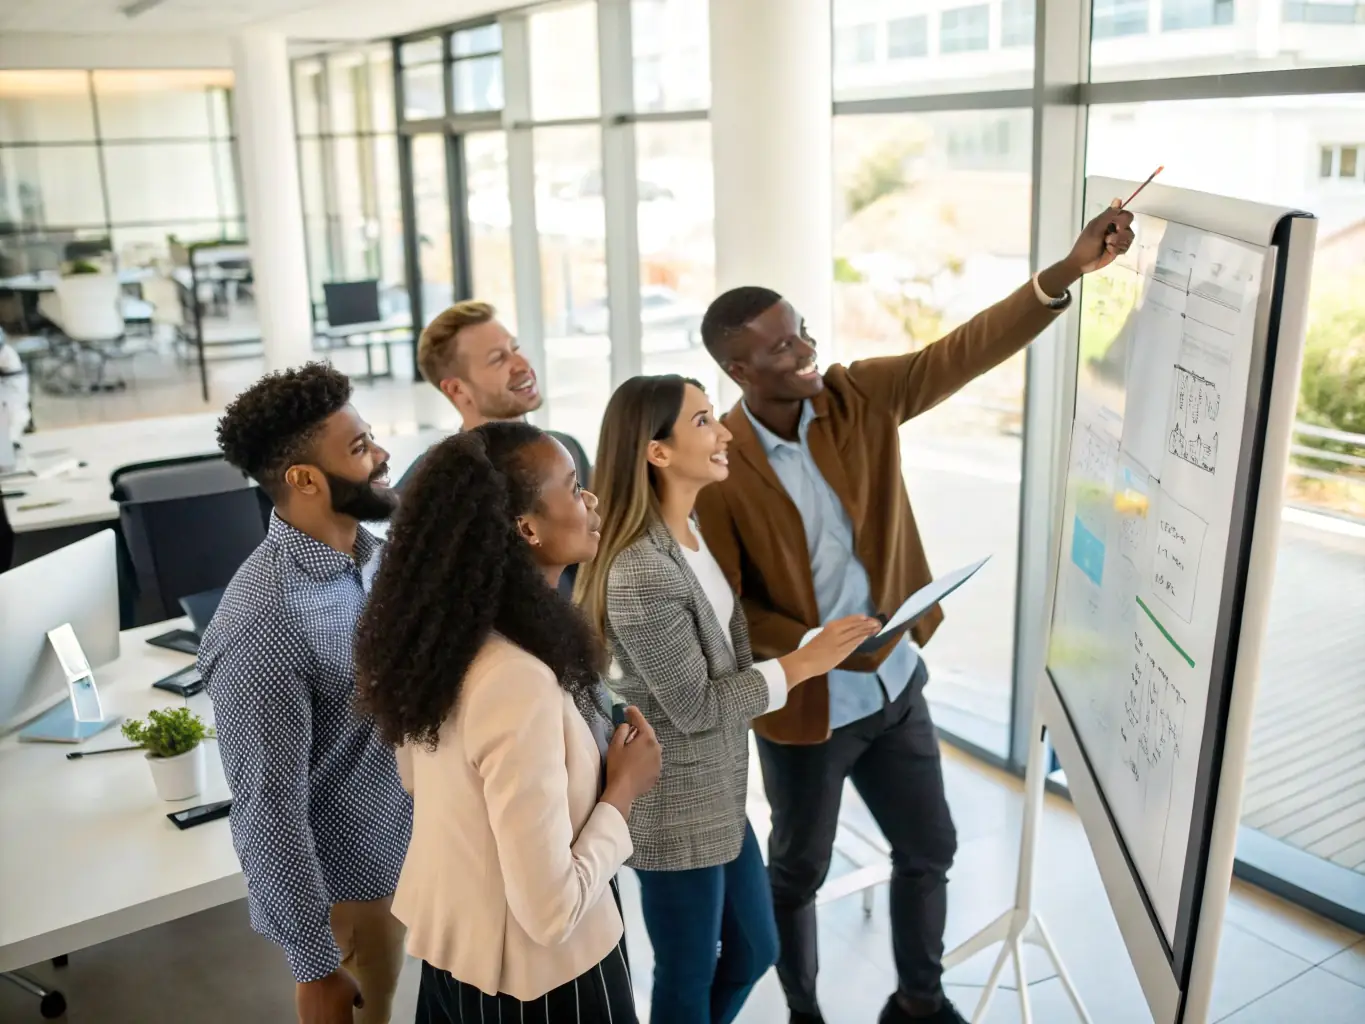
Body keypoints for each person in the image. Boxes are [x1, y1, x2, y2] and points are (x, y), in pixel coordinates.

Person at [691, 204, 1137, 1024]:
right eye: (782, 346)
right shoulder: (720, 464)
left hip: (895, 685)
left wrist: (1066, 271)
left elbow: (958, 352)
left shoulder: (858, 395)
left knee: (929, 848)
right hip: (808, 712)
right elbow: (724, 612)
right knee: (797, 875)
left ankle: (919, 1005)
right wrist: (815, 649)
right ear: (740, 368)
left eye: (802, 332)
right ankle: (804, 1013)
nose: (806, 350)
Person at [575, 374, 880, 1024]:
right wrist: (803, 664)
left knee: (754, 948)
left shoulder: (690, 532)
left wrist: (808, 651)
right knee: (686, 973)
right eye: (704, 421)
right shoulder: (639, 569)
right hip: (670, 805)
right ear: (657, 452)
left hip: (716, 794)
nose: (725, 433)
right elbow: (695, 707)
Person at [355, 421, 662, 1023]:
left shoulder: (447, 643)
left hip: (460, 959)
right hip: (544, 989)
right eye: (574, 489)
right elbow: (550, 910)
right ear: (527, 528)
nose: (591, 501)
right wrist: (623, 790)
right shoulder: (516, 678)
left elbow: (427, 781)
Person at [199, 363, 413, 1024]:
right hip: (358, 893)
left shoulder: (373, 553)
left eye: (371, 438)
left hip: (421, 855)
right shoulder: (266, 624)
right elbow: (267, 809)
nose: (381, 457)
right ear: (303, 480)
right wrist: (315, 965)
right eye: (358, 449)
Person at [400, 300, 591, 596]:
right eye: (498, 359)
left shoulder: (568, 450)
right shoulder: (431, 485)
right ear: (457, 389)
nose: (522, 365)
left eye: (515, 348)